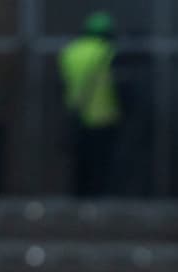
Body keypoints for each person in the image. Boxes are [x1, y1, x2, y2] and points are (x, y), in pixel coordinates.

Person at [58, 11, 121, 196]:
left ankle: (79, 200)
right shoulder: (108, 52)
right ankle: (99, 199)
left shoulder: (70, 52)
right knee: (102, 165)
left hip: (76, 114)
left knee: (80, 164)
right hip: (103, 116)